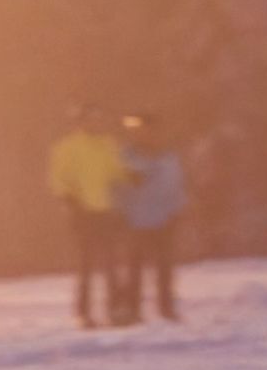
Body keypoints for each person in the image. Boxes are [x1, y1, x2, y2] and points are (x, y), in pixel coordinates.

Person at [48, 103, 134, 328]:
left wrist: (130, 178)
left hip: (106, 211)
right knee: (85, 264)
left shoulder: (107, 145)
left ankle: (116, 309)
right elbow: (59, 178)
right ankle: (83, 313)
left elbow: (116, 172)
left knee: (112, 263)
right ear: (81, 122)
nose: (97, 123)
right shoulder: (67, 147)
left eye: (99, 119)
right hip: (82, 213)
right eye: (92, 119)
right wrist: (69, 200)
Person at [118, 114, 187, 322]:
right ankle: (132, 309)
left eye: (149, 130)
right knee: (134, 267)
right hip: (135, 218)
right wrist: (120, 211)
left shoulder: (168, 157)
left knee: (164, 267)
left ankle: (166, 308)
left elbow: (176, 185)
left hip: (163, 218)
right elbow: (117, 186)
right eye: (140, 130)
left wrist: (177, 210)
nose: (145, 134)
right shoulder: (127, 156)